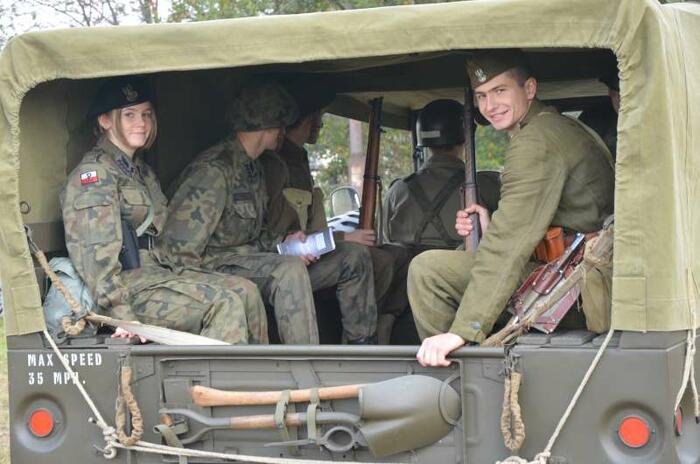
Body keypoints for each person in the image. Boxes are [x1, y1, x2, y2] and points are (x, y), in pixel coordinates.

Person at [409, 50, 615, 367]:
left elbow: (508, 243)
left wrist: (463, 330)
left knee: (427, 271)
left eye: (500, 90)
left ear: (529, 89)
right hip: (578, 278)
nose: (490, 105)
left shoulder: (536, 140)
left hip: (578, 292)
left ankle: (457, 379)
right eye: (481, 96)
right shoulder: (558, 128)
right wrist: (490, 226)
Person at [61, 77, 268, 345]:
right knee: (224, 303)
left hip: (159, 273)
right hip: (128, 287)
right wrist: (122, 316)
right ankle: (216, 375)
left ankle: (258, 372)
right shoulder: (95, 176)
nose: (141, 123)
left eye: (146, 114)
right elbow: (96, 260)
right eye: (129, 115)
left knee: (246, 291)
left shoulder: (141, 172)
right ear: (105, 121)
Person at [161, 80, 325, 345]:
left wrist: (283, 243)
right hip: (209, 267)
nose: (283, 133)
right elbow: (177, 253)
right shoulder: (214, 172)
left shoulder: (251, 168)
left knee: (292, 263)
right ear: (268, 126)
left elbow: (253, 235)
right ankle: (305, 361)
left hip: (239, 260)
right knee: (289, 270)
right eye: (280, 125)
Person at [260, 78, 378, 344]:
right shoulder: (272, 165)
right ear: (305, 120)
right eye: (319, 117)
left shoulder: (298, 159)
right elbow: (265, 229)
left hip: (299, 253)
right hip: (273, 263)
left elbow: (308, 226)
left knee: (360, 256)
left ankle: (362, 347)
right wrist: (285, 246)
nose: (320, 125)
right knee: (353, 257)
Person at [379, 99, 502, 343]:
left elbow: (385, 243)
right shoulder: (487, 186)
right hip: (460, 301)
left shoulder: (398, 190)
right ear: (465, 136)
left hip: (401, 306)